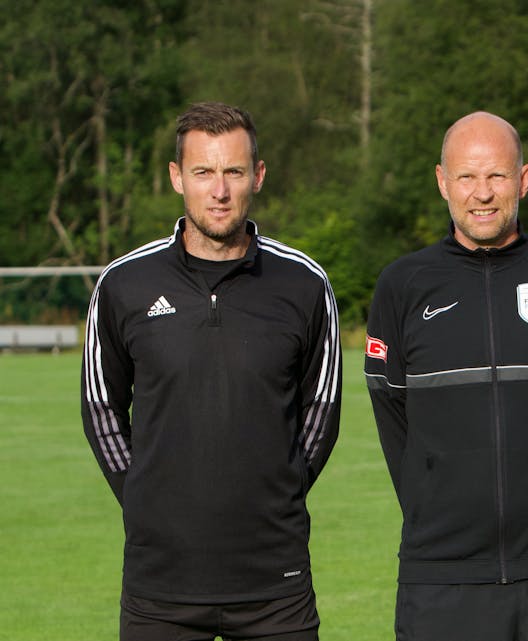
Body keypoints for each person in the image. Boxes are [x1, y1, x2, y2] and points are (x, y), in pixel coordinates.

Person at [81, 102, 342, 641]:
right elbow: (102, 407)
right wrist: (145, 498)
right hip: (161, 588)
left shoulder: (305, 284)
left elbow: (322, 409)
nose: (219, 190)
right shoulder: (122, 284)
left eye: (233, 172)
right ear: (177, 177)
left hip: (276, 584)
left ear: (258, 176)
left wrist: (281, 488)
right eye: (203, 172)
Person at [364, 111, 528, 641]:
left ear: (523, 180)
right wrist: (437, 491)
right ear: (442, 181)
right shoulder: (402, 285)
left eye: (497, 176)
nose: (482, 193)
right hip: (442, 576)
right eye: (467, 177)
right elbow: (395, 419)